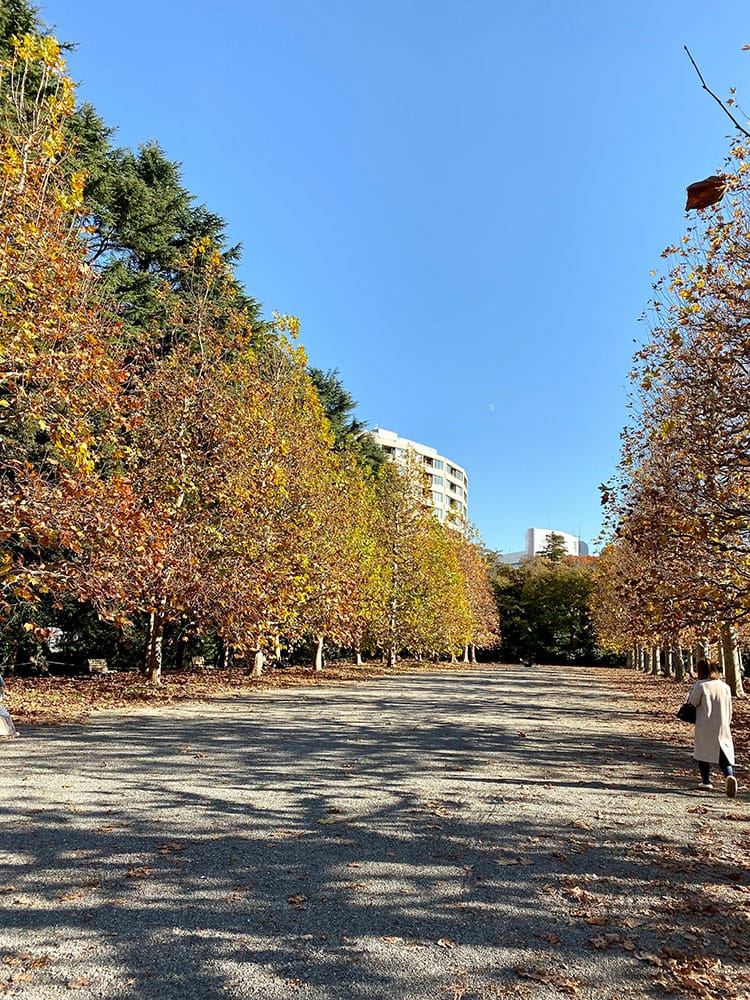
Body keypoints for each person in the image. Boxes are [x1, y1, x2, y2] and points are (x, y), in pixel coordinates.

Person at [687, 658, 736, 796]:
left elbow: (693, 701)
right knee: (723, 753)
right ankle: (729, 776)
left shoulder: (701, 685)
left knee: (703, 752)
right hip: (722, 723)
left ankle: (706, 781)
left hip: (705, 723)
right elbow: (729, 707)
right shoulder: (725, 686)